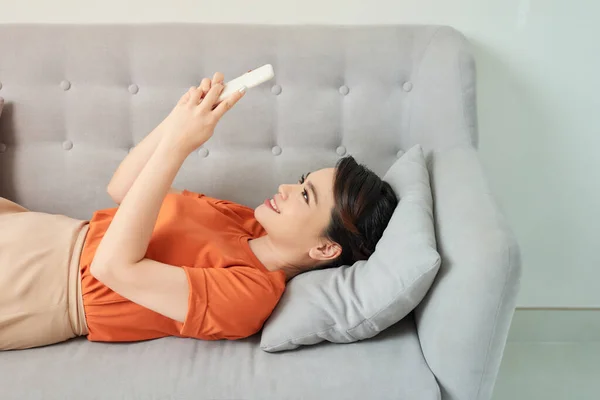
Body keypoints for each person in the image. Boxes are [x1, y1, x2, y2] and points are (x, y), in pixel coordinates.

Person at [0, 73, 398, 350]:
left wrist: (179, 147)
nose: (286, 189)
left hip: (40, 289)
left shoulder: (250, 296)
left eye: (306, 196)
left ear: (326, 249)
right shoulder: (244, 219)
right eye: (301, 180)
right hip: (44, 229)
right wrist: (180, 118)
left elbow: (112, 269)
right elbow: (123, 188)